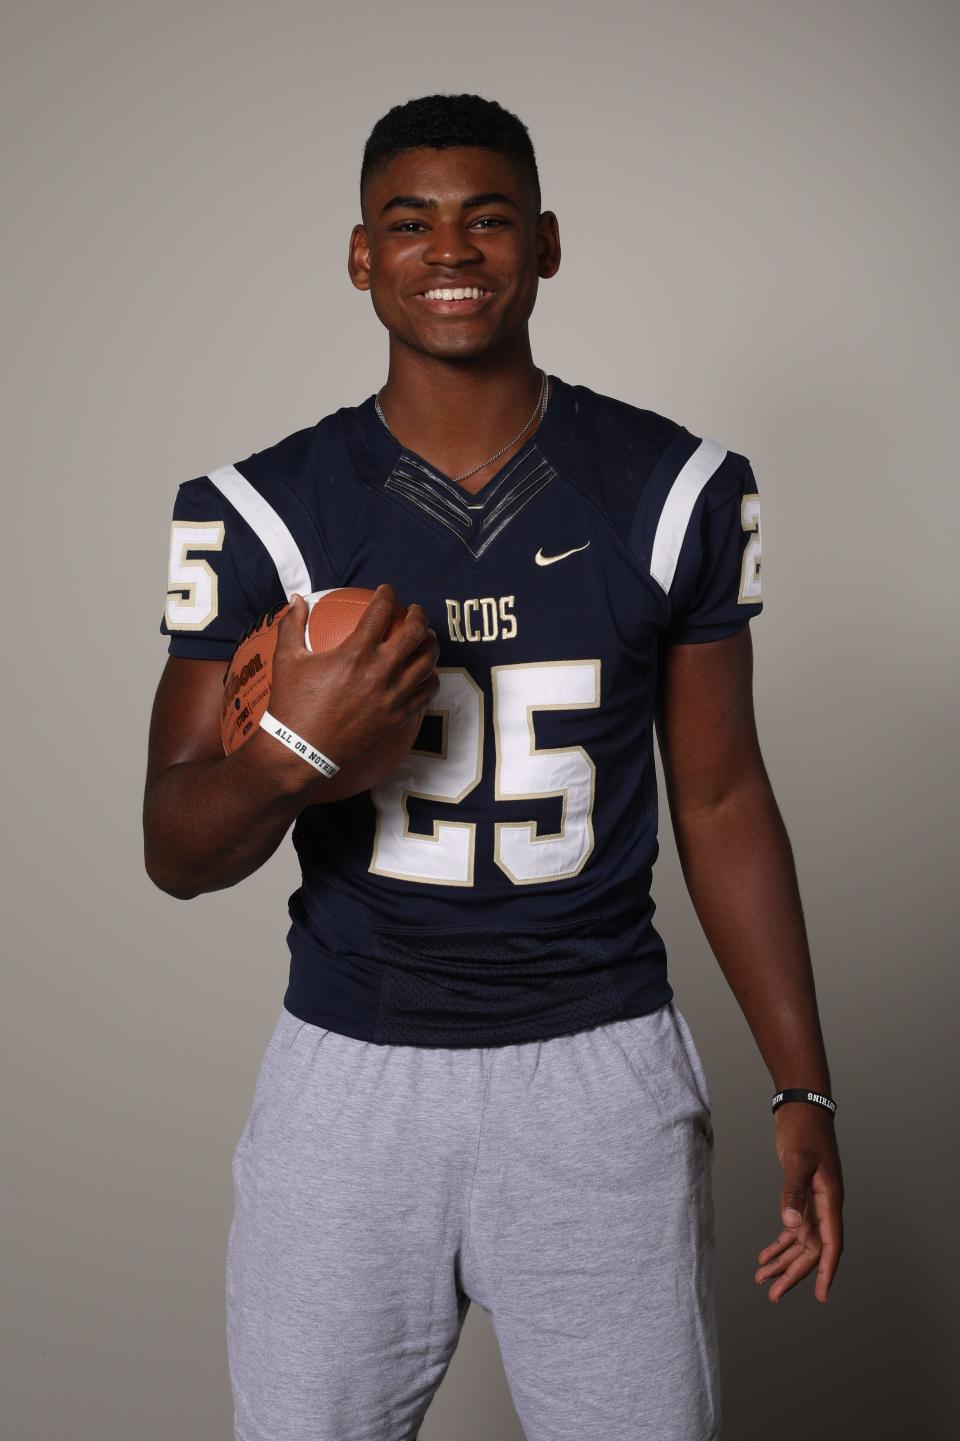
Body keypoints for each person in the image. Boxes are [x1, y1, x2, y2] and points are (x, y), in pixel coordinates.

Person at [144, 93, 844, 1441]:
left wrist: (801, 1080)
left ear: (548, 245)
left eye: (488, 218)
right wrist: (294, 748)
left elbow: (720, 795)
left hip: (599, 1073)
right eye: (409, 223)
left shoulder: (672, 484)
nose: (449, 249)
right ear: (361, 256)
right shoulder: (261, 513)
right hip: (349, 1069)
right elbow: (174, 845)